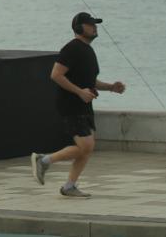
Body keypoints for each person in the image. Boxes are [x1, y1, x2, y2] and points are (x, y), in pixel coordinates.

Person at [30, 12, 126, 197]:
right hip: (71, 105)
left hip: (84, 105)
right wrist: (80, 92)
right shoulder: (72, 48)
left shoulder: (87, 50)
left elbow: (90, 81)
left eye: (95, 24)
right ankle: (44, 160)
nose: (95, 27)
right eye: (90, 24)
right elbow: (56, 75)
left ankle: (69, 186)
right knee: (85, 146)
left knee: (87, 148)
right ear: (79, 27)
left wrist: (111, 87)